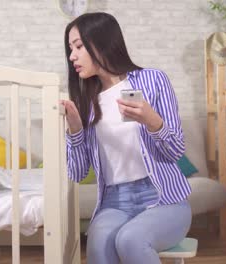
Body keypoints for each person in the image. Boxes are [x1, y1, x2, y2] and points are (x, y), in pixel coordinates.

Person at [61, 12, 192, 264]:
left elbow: (175, 151)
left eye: (78, 46)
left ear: (100, 43)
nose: (72, 56)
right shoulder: (86, 102)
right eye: (70, 48)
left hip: (162, 197)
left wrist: (153, 122)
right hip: (114, 201)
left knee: (130, 240)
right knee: (98, 245)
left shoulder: (153, 81)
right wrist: (76, 131)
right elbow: (77, 173)